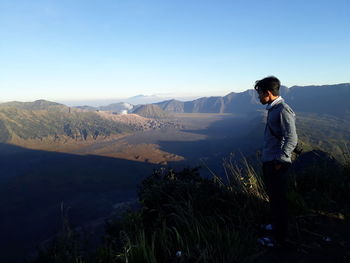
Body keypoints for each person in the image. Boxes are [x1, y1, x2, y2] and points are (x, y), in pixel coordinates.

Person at [254, 76, 298, 247]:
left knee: (278, 200)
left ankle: (279, 238)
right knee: (274, 198)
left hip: (276, 163)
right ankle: (276, 227)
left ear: (268, 93)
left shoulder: (282, 110)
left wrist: (280, 160)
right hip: (271, 161)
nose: (259, 98)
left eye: (260, 94)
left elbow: (292, 138)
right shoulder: (274, 109)